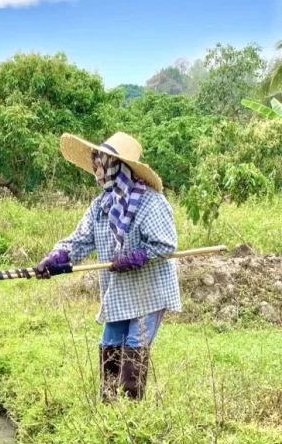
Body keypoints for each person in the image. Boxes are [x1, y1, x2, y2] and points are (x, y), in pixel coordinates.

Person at [35, 132, 180, 401]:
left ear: (117, 166)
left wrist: (136, 257)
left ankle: (132, 413)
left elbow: (165, 244)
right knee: (110, 347)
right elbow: (79, 240)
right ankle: (108, 410)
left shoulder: (151, 202)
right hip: (118, 289)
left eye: (101, 166)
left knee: (134, 351)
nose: (97, 173)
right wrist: (57, 257)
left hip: (149, 290)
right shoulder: (101, 206)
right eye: (95, 166)